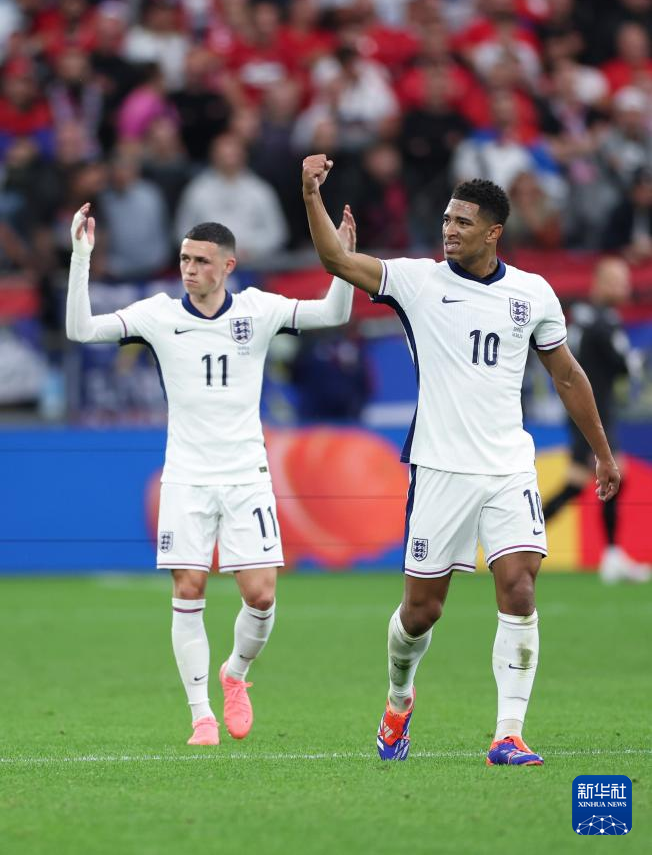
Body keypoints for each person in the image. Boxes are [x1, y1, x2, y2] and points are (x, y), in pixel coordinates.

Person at [301, 154, 620, 766]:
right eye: (447, 220)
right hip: (440, 468)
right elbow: (337, 261)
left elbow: (567, 375)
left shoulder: (533, 293)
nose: (448, 230)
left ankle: (509, 733)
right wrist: (311, 193)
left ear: (493, 232)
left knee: (519, 587)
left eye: (462, 223)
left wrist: (602, 454)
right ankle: (399, 700)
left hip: (508, 466)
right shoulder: (418, 282)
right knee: (421, 613)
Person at [66, 200, 356, 746]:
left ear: (228, 265)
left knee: (262, 596)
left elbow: (333, 314)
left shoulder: (258, 310)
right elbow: (81, 330)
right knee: (189, 585)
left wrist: (343, 260)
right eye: (184, 259)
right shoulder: (158, 315)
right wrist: (81, 256)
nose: (190, 269)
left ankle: (235, 674)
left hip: (247, 475)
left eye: (201, 260)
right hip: (186, 477)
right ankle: (201, 716)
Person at [543, 258, 650, 584]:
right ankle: (611, 556)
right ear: (599, 283)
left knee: (577, 484)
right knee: (614, 477)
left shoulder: (584, 318)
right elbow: (622, 365)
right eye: (616, 280)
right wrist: (638, 360)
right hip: (593, 415)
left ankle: (520, 539)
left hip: (583, 412)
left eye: (625, 280)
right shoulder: (602, 322)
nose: (624, 287)